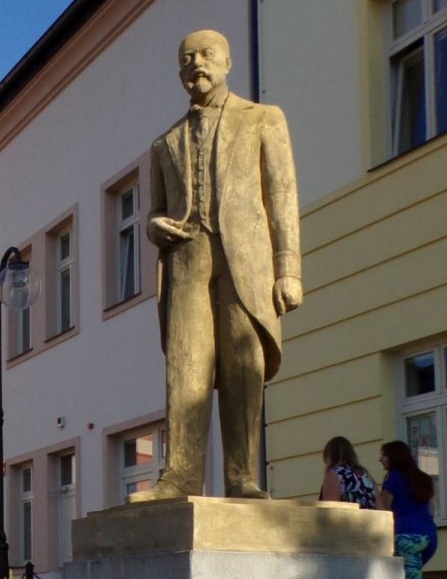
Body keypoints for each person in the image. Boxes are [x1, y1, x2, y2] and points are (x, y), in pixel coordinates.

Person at [140, 30, 303, 500]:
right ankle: (181, 476)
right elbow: (154, 210)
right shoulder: (164, 143)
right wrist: (154, 227)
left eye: (206, 54)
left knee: (243, 364)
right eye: (186, 58)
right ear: (179, 74)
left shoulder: (263, 119)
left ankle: (241, 476)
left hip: (246, 260)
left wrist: (288, 267)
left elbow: (282, 195)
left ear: (227, 62)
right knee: (186, 369)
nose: (197, 63)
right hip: (187, 258)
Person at [378, 440, 438, 579]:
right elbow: (432, 511)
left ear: (394, 456)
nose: (380, 459)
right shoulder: (424, 478)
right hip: (429, 536)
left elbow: (383, 510)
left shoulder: (394, 477)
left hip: (406, 536)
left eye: (384, 455)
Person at [319, 436, 377, 509]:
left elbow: (329, 510)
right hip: (370, 519)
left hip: (346, 519)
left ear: (329, 456)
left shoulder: (334, 474)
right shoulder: (366, 476)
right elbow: (382, 509)